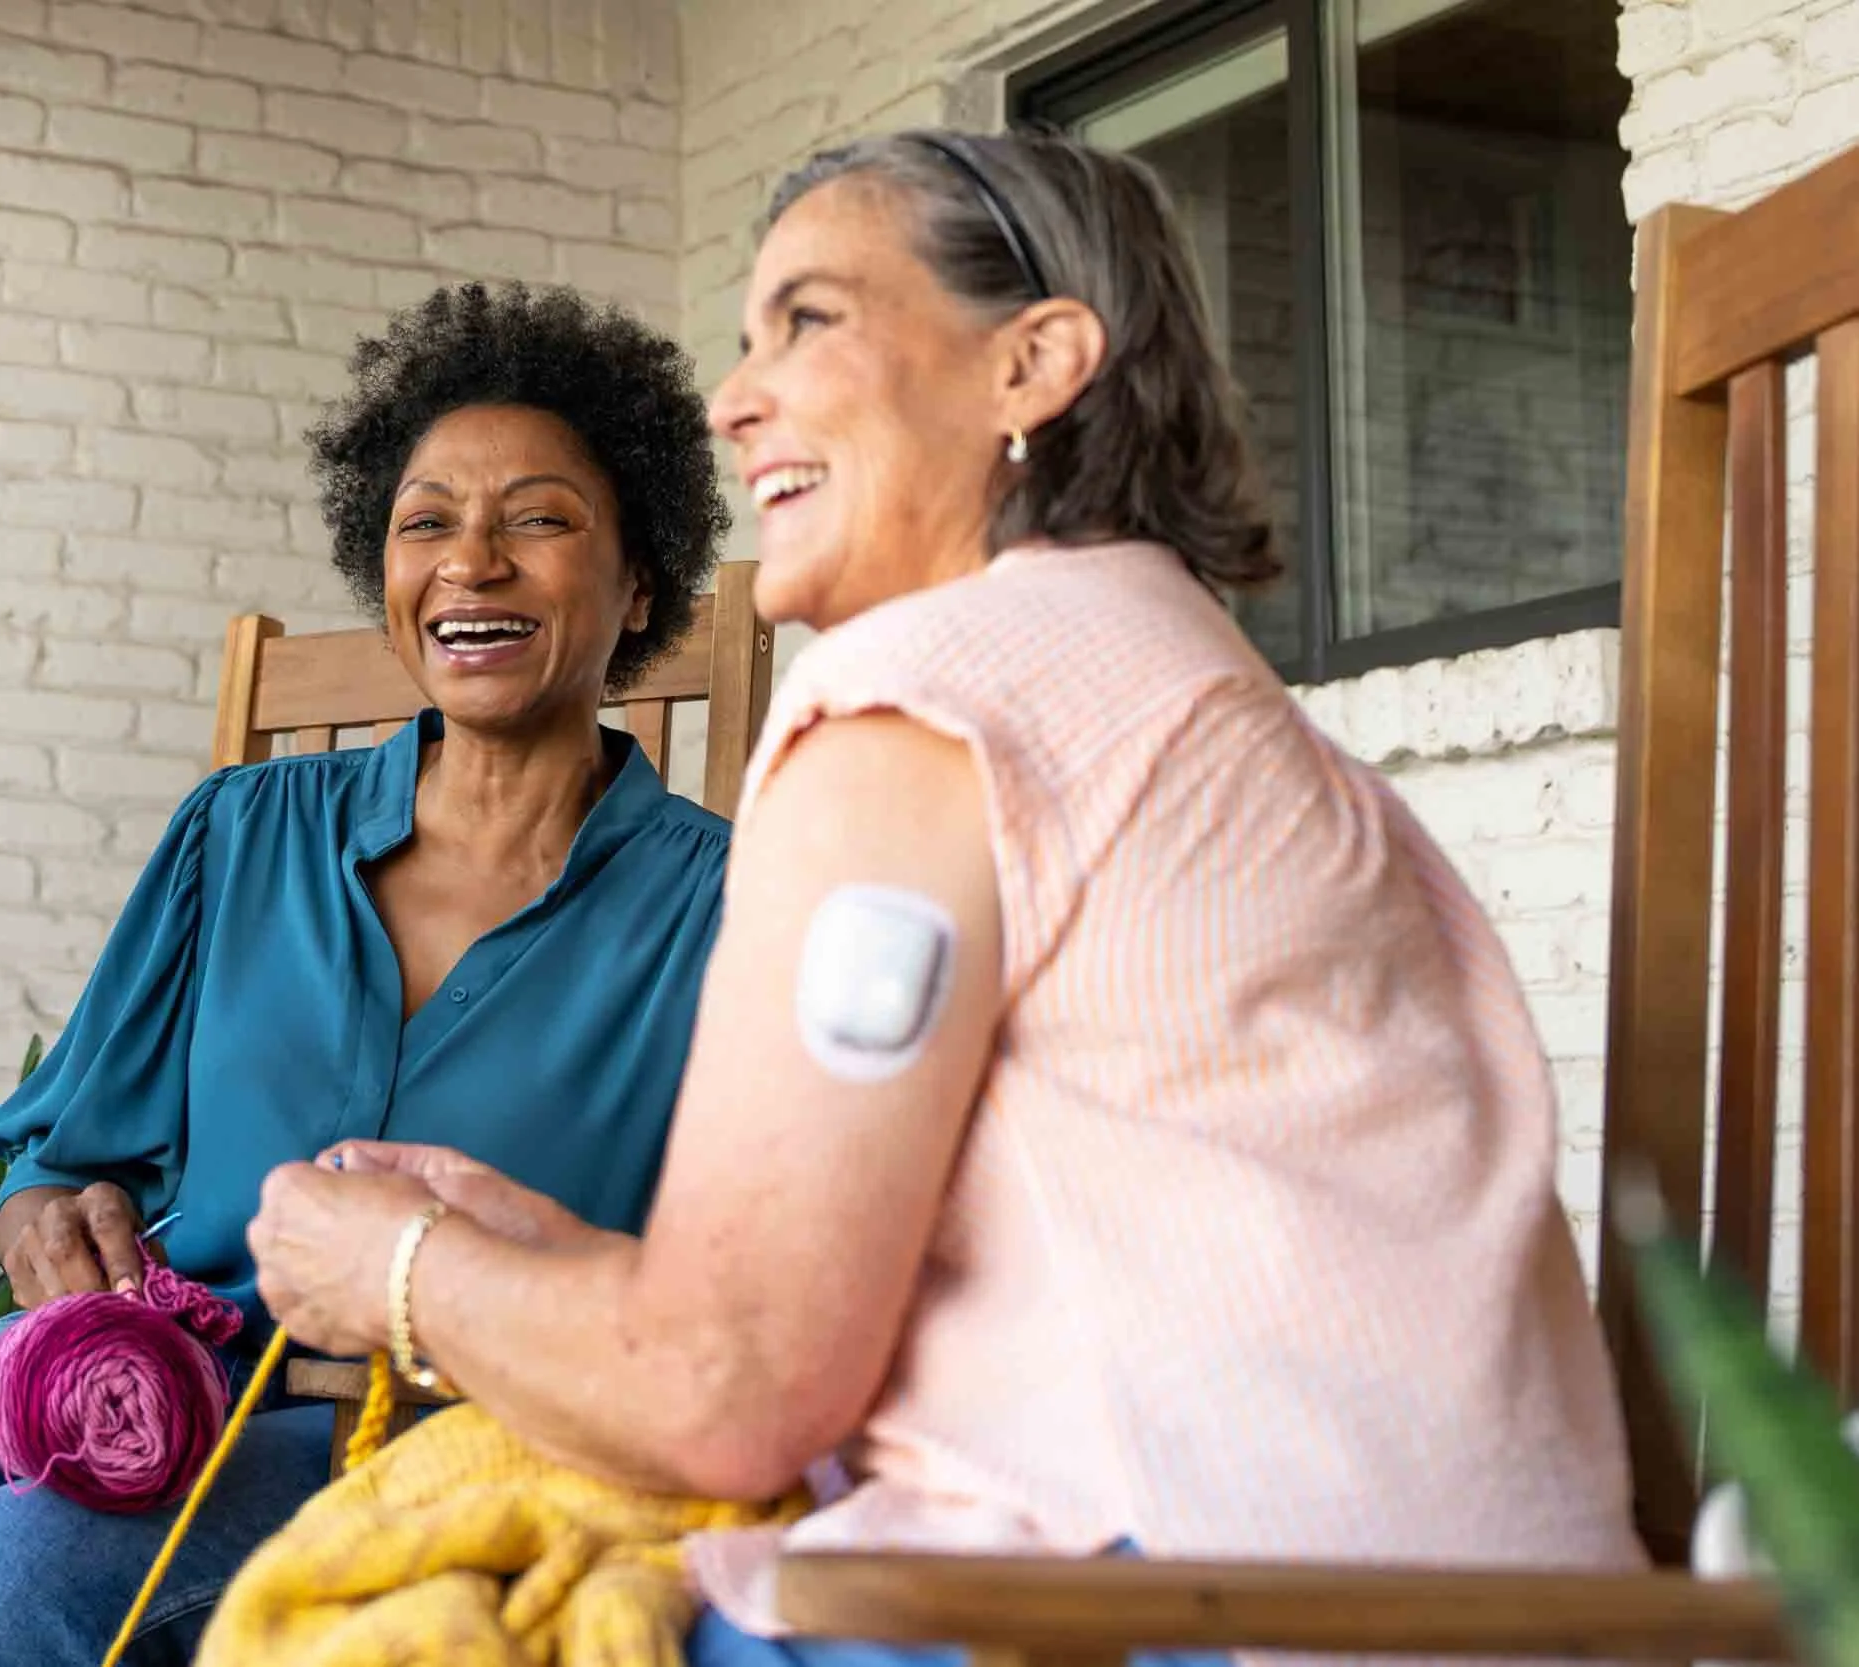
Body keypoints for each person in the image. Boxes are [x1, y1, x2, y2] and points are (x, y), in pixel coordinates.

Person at [246, 128, 1645, 1667]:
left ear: (1032, 364)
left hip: (1204, 1610)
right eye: (742, 340)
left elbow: (730, 1390)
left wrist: (395, 1273)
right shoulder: (1170, 683)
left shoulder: (921, 706)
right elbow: (873, 1314)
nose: (734, 398)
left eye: (811, 320)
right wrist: (539, 1250)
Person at [0, 280, 736, 1666]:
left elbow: (715, 1292)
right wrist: (47, 1211)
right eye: (427, 522)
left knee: (11, 1581)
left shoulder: (729, 908)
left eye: (539, 518)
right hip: (144, 1361)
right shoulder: (240, 833)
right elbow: (59, 1150)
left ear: (640, 575)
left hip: (441, 1427)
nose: (472, 561)